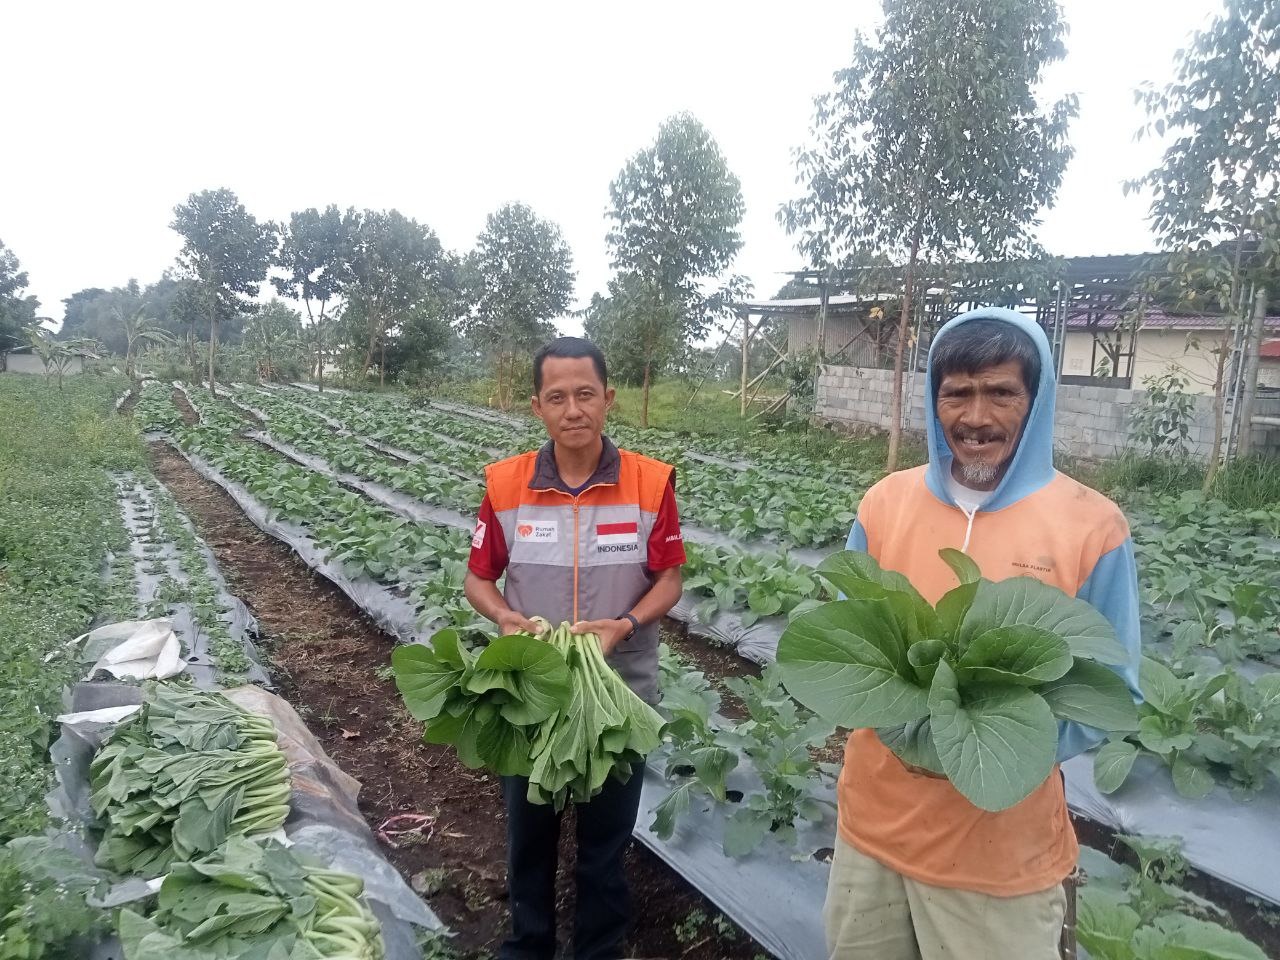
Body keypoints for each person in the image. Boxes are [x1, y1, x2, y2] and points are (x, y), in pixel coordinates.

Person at [824, 307, 1143, 960]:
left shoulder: (1091, 526)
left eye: (1001, 392)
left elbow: (1113, 689)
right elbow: (841, 636)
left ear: (1035, 400)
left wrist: (986, 746)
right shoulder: (885, 503)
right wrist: (902, 713)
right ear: (933, 400)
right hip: (872, 835)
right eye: (957, 393)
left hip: (999, 856)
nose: (977, 417)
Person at [464, 336, 686, 960]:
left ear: (608, 399)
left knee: (605, 845)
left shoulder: (650, 482)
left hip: (617, 695)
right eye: (557, 397)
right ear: (537, 406)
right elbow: (477, 578)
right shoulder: (506, 485)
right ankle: (527, 946)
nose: (573, 410)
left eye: (585, 394)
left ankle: (599, 949)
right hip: (530, 692)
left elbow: (669, 579)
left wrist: (624, 623)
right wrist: (506, 617)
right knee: (528, 837)